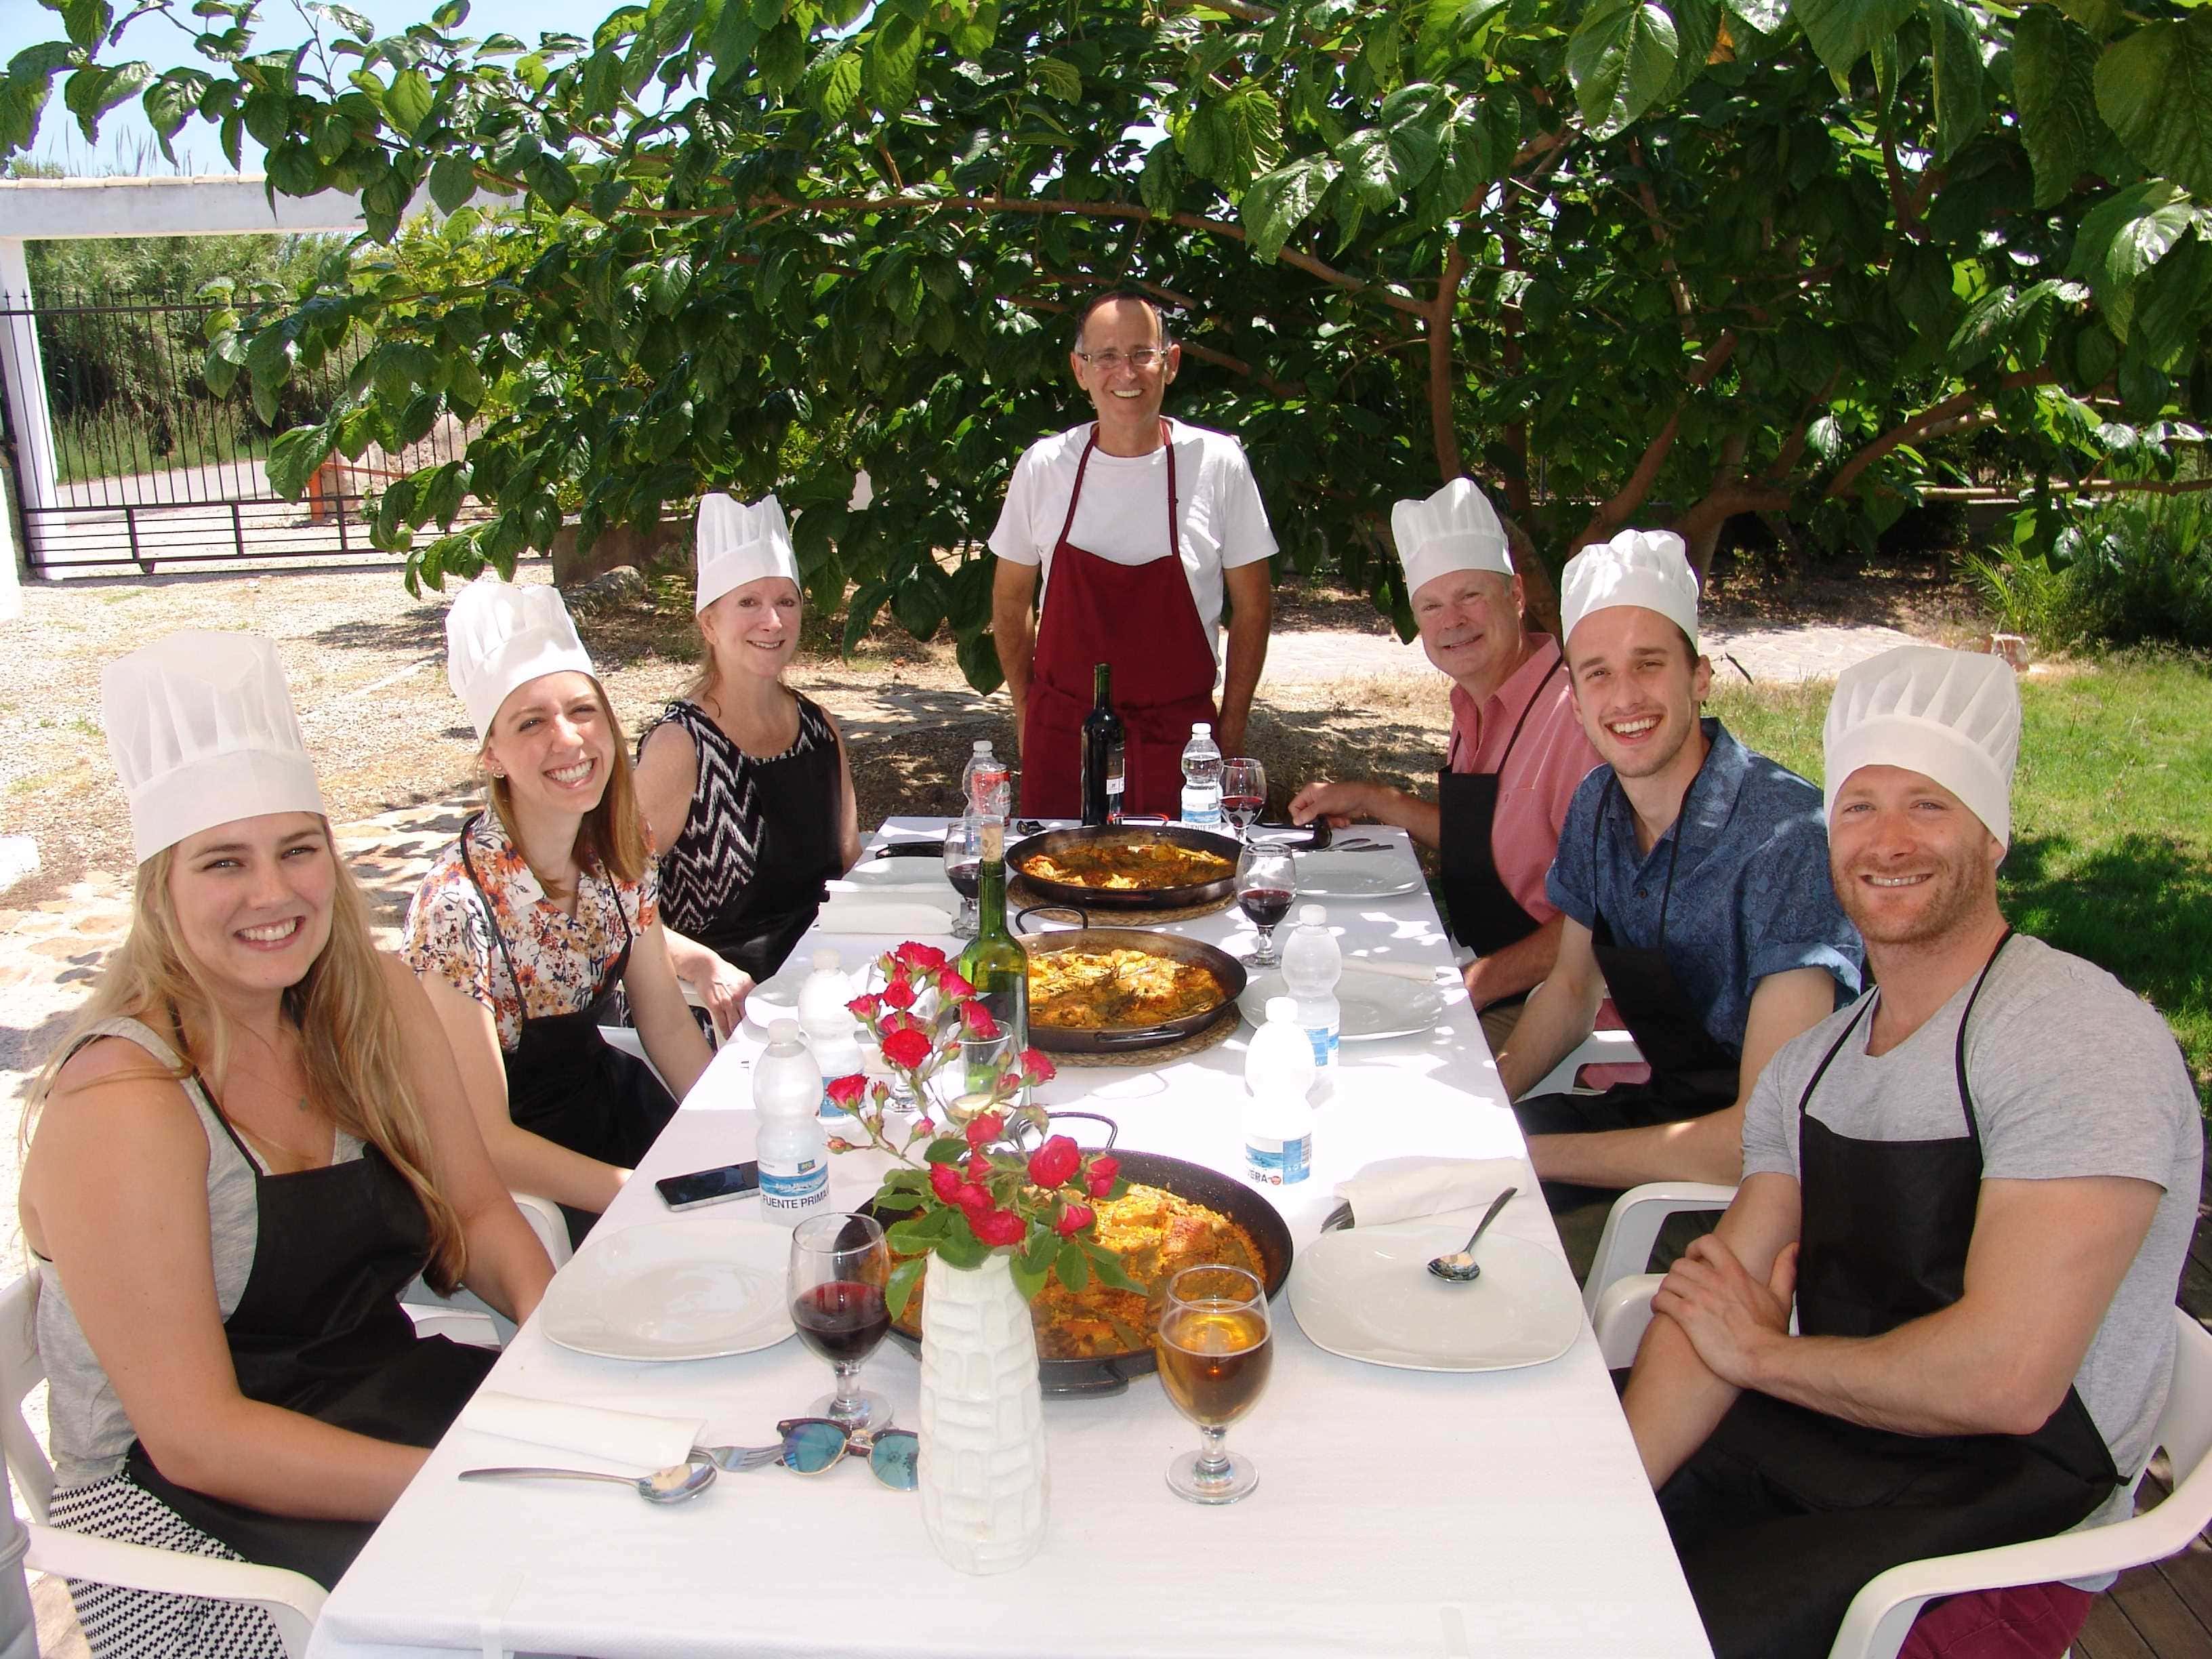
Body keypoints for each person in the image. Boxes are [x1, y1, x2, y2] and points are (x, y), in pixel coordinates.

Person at [1623, 644, 2200, 1659]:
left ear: (1993, 835)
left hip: (2003, 1537)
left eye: (1928, 805)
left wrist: (1761, 1354)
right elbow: (1725, 1286)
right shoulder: (1813, 1065)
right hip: (1840, 1440)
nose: (1888, 842)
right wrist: (1610, 1486)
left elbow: (2006, 1380)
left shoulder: (2076, 1041)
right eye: (1859, 807)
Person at [22, 632, 554, 1655]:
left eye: (297, 850)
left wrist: (544, 1351)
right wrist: (465, 1482)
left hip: (377, 1404)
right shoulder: (125, 1098)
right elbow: (197, 1438)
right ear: (160, 889)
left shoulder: (377, 1002)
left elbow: (482, 1216)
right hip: (176, 1521)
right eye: (224, 862)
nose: (275, 895)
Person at [1496, 529, 1862, 1269]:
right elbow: (1570, 990)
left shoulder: (1788, 840)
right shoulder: (1599, 802)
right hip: (1663, 1114)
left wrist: (1527, 1157)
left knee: (1502, 1258)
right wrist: (1483, 1108)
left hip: (1775, 1194)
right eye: (1597, 674)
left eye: (1649, 665)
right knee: (1427, 1198)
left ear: (1699, 677)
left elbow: (1756, 1141)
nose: (1625, 697)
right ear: (1574, 698)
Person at [405, 574, 712, 1246]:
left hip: (617, 1109)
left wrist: (730, 1132)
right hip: (530, 1178)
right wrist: (637, 1193)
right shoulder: (457, 907)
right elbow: (485, 1138)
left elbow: (663, 1018)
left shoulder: (617, 855)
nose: (570, 741)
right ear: (491, 754)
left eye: (583, 711)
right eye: (531, 722)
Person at [1288, 478, 1601, 1051]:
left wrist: (1475, 985)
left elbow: (1602, 917)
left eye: (1470, 596)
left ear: (1518, 595)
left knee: (1354, 1049)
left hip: (1562, 1006)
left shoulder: (1575, 716)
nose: (1451, 621)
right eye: (1432, 605)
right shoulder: (1474, 701)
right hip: (1492, 971)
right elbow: (1492, 841)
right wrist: (1371, 798)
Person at [989, 291, 1277, 817]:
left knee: (1179, 896)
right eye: (1106, 356)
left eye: (1143, 353)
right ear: (1080, 370)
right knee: (1057, 894)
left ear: (1171, 364)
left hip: (1180, 748)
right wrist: (1027, 711)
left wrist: (1227, 734)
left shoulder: (1218, 464)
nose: (1127, 372)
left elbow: (1254, 609)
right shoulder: (1043, 467)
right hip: (1064, 743)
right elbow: (1009, 604)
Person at [636, 493, 861, 1010]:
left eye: (786, 601)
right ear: (708, 624)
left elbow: (849, 868)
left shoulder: (818, 728)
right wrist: (698, 964)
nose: (773, 622)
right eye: (748, 603)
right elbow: (613, 904)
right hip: (712, 1007)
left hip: (820, 987)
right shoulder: (681, 746)